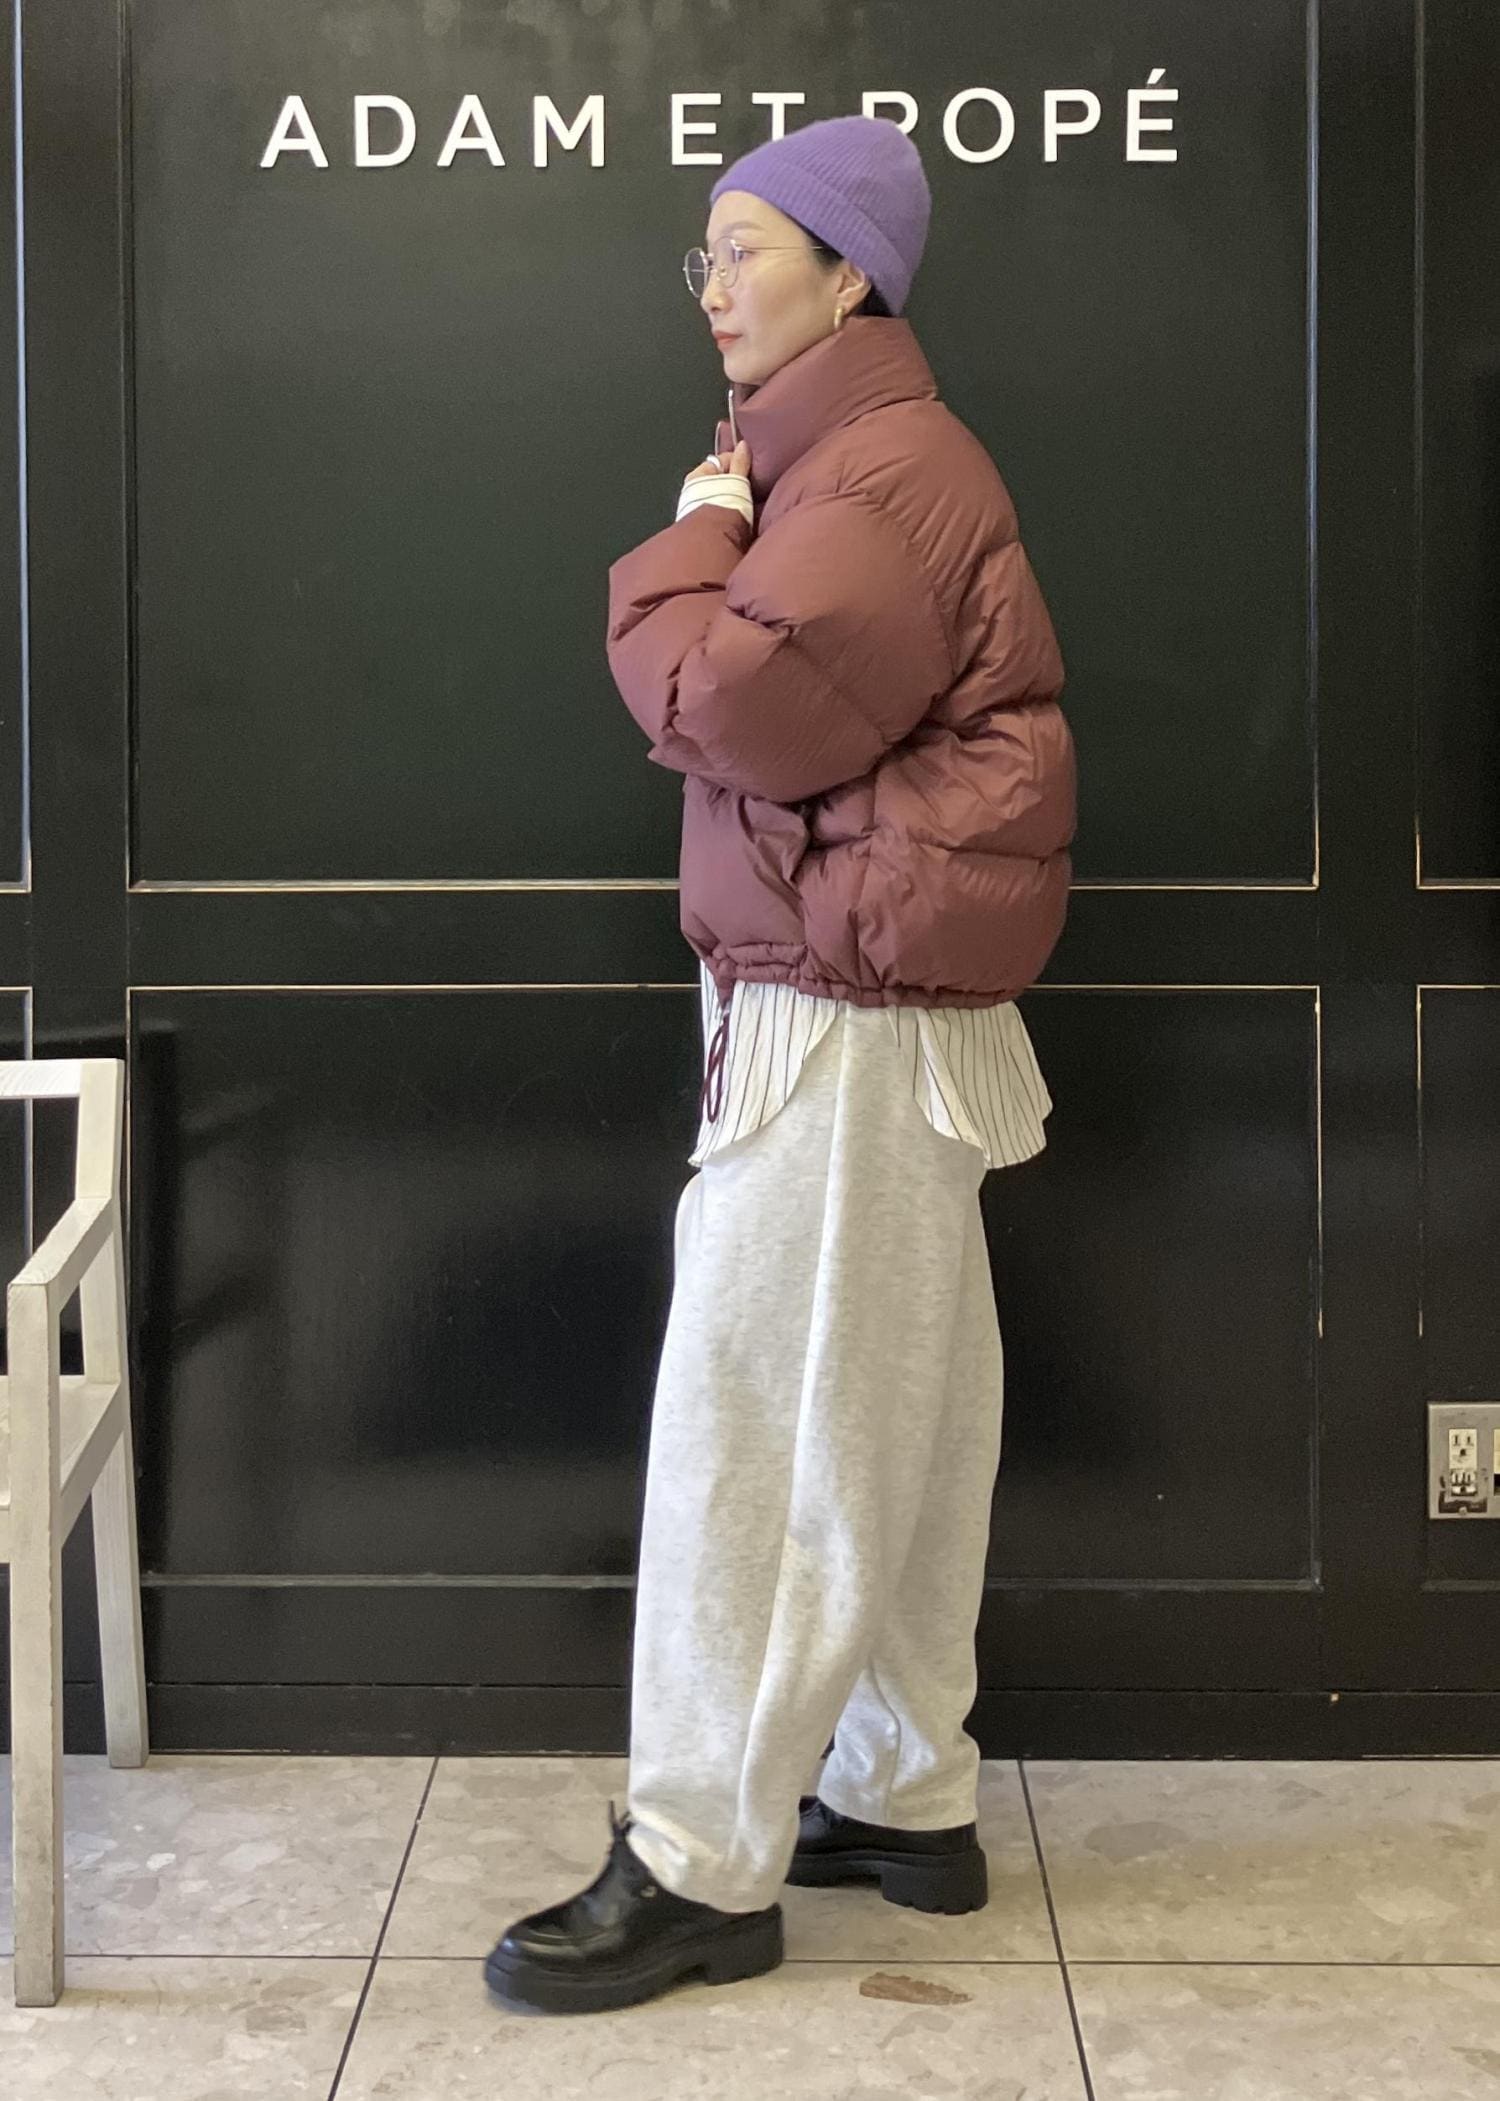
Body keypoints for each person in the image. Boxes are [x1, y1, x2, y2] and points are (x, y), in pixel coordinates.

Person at [485, 112, 1076, 2018]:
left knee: (760, 1430)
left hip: (840, 1012)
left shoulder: (869, 480)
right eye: (707, 255)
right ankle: (902, 1791)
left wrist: (695, 535)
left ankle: (696, 1862)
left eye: (745, 249)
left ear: (848, 275)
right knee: (905, 1414)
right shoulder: (856, 464)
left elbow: (719, 697)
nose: (714, 288)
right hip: (879, 998)